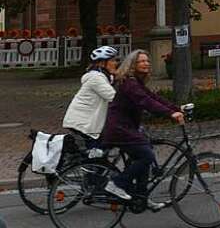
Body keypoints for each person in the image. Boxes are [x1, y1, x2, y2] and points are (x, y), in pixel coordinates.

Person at [101, 50, 183, 210]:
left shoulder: (136, 82)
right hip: (120, 129)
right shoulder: (129, 83)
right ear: (132, 65)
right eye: (141, 61)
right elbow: (146, 102)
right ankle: (115, 184)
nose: (146, 63)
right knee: (147, 156)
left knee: (144, 156)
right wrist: (170, 113)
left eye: (147, 61)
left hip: (127, 128)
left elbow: (154, 98)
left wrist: (176, 108)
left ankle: (142, 197)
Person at [61, 46, 119, 147]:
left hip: (89, 122)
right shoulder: (96, 78)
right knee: (95, 155)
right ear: (102, 63)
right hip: (84, 123)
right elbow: (114, 97)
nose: (116, 63)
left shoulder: (104, 77)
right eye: (112, 60)